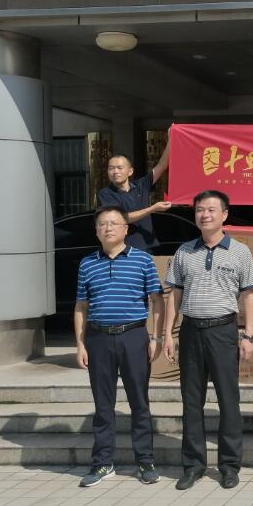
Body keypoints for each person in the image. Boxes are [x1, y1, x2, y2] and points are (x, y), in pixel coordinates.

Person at [162, 190, 253, 491]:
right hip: (191, 331)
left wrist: (248, 335)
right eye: (199, 210)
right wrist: (167, 334)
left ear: (224, 215)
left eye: (211, 209)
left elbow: (248, 296)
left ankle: (229, 466)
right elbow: (174, 295)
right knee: (192, 402)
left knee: (228, 401)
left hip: (223, 332)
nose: (204, 215)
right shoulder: (184, 251)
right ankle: (193, 465)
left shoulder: (240, 252)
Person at [73, 205, 164, 487]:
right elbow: (81, 306)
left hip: (133, 337)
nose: (108, 228)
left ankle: (145, 461)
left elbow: (157, 300)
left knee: (139, 402)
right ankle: (102, 463)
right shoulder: (87, 263)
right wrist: (80, 343)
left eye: (114, 223)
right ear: (96, 231)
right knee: (103, 405)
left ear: (126, 228)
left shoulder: (143, 260)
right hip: (98, 339)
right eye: (103, 223)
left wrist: (156, 337)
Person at [96, 136, 172, 251]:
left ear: (130, 171)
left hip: (147, 247)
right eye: (111, 168)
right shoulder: (106, 194)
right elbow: (121, 218)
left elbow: (162, 165)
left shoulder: (141, 185)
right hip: (122, 250)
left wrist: (171, 138)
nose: (115, 171)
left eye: (119, 168)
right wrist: (152, 209)